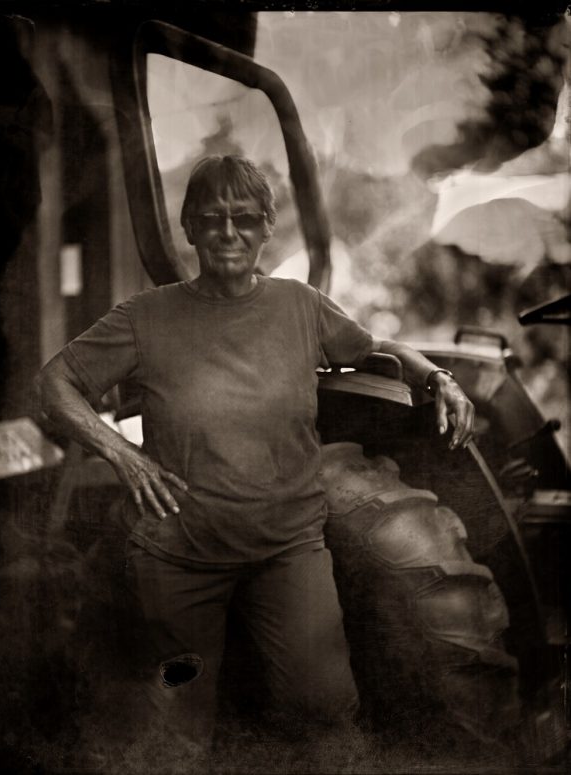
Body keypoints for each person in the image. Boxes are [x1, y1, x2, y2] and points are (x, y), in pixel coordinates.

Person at [38, 155, 474, 759]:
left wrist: (437, 379)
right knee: (177, 724)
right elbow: (54, 382)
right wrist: (124, 455)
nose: (228, 232)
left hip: (287, 552)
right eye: (211, 218)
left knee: (321, 708)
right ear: (188, 227)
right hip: (180, 563)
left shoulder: (300, 306)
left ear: (267, 227)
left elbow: (378, 347)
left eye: (245, 219)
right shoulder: (144, 317)